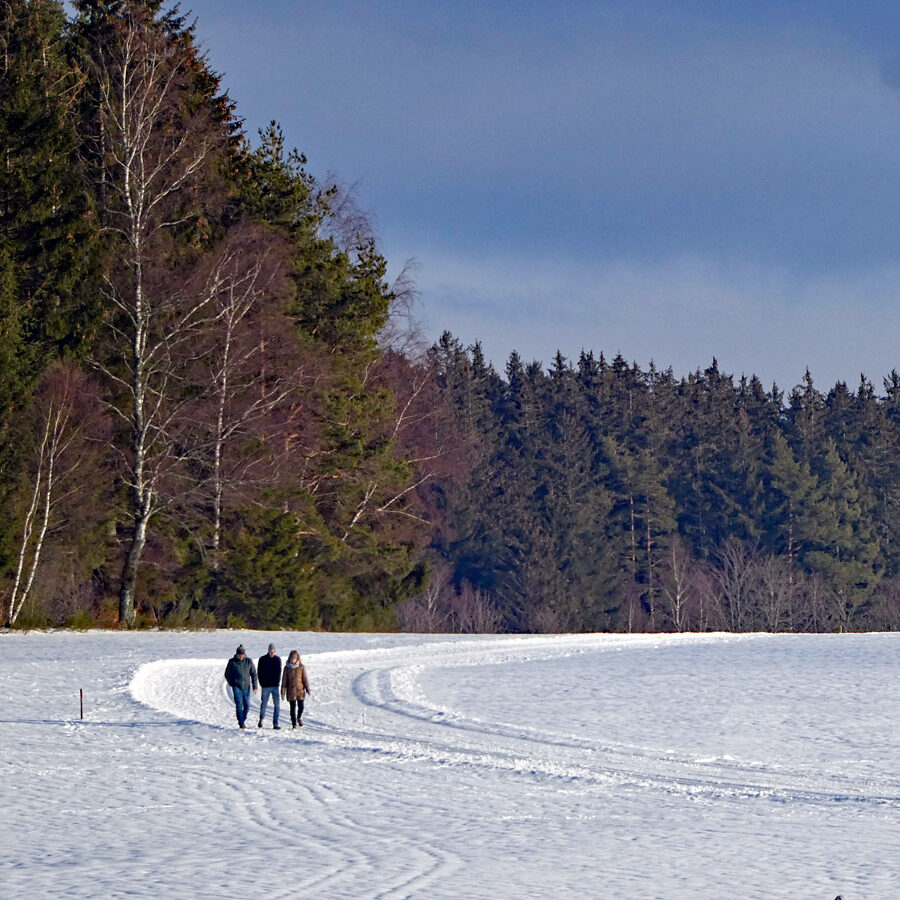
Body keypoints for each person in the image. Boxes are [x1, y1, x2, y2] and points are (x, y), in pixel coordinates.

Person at [224, 645, 258, 729]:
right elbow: (227, 674)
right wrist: (232, 683)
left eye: (243, 654)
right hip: (237, 687)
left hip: (246, 686)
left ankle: (242, 719)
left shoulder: (248, 661)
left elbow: (254, 674)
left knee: (247, 706)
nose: (241, 656)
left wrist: (255, 686)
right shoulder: (232, 662)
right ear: (237, 654)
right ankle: (241, 723)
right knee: (239, 705)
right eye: (240, 654)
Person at [281, 649, 311, 728]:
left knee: (301, 707)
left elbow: (305, 679)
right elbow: (284, 681)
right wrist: (283, 692)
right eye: (292, 658)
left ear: (297, 659)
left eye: (295, 659)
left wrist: (307, 688)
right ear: (289, 658)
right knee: (292, 708)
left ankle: (299, 717)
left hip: (300, 691)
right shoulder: (286, 668)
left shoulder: (301, 667)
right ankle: (294, 724)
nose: (293, 660)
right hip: (291, 691)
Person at [257, 643, 282, 730]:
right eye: (271, 651)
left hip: (275, 686)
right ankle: (261, 719)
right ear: (268, 651)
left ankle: (275, 723)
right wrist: (262, 683)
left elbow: (279, 672)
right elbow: (259, 672)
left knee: (277, 706)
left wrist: (277, 683)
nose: (272, 653)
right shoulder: (262, 659)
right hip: (265, 686)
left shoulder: (277, 659)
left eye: (273, 652)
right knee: (264, 704)